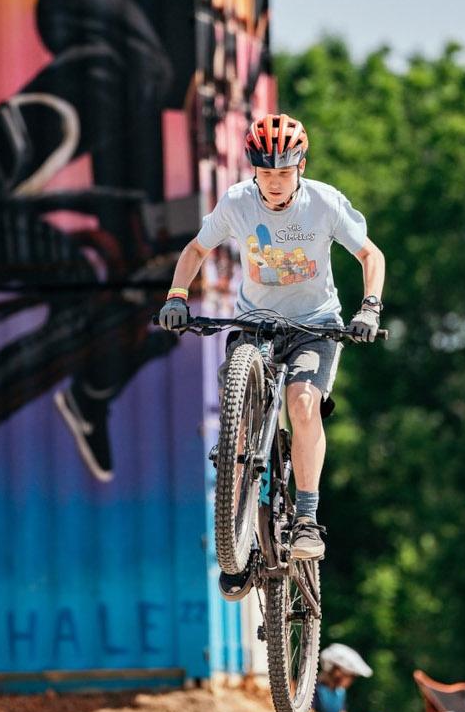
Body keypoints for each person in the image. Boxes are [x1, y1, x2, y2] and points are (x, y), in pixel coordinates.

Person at [158, 114, 387, 589]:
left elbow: (371, 255)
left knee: (302, 404)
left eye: (284, 172)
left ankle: (306, 520)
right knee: (239, 407)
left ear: (301, 166)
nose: (275, 182)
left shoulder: (324, 203)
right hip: (255, 323)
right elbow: (196, 250)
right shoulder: (237, 202)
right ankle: (239, 529)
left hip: (314, 326)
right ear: (254, 170)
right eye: (266, 173)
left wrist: (369, 308)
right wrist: (177, 297)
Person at [314, 642, 373, 712]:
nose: (352, 681)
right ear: (338, 671)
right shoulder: (314, 690)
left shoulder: (340, 692)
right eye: (351, 676)